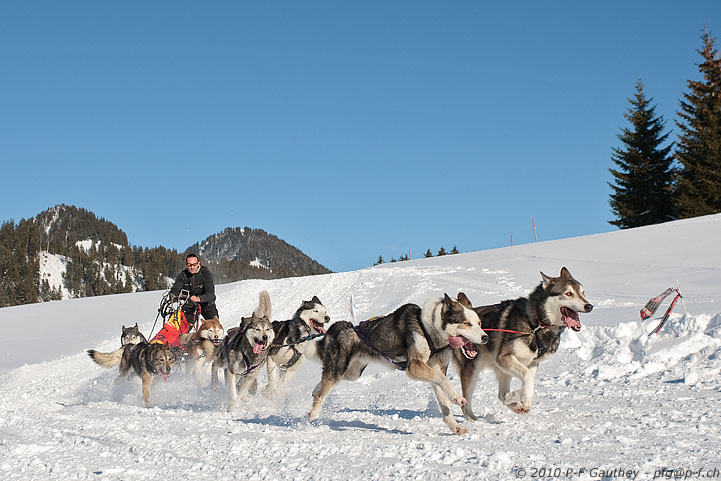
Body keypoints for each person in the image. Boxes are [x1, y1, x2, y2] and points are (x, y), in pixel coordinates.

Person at [151, 253, 219, 346]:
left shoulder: (205, 274)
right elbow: (175, 290)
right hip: (190, 305)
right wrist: (172, 297)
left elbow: (210, 293)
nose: (192, 267)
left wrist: (199, 298)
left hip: (207, 304)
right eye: (189, 265)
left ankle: (215, 349)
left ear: (198, 263)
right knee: (181, 325)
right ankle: (179, 346)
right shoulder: (183, 275)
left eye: (194, 265)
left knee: (214, 327)